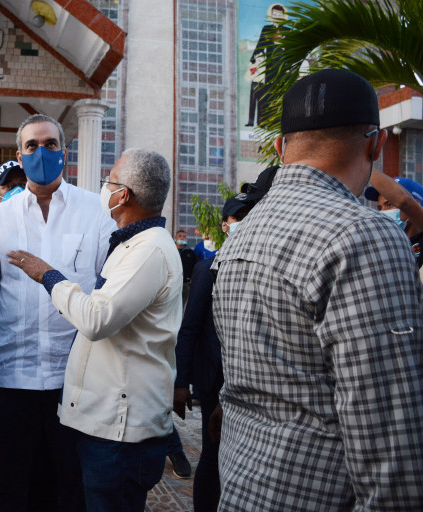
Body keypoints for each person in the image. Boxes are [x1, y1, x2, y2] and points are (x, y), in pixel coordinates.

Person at [212, 69, 423, 510]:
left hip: (242, 484)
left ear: (280, 147)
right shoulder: (364, 235)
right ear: (376, 145)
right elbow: (387, 430)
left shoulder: (243, 233)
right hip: (319, 494)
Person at [7, 148, 182, 510]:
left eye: (109, 181)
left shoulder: (147, 251)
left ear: (123, 195)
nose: (104, 188)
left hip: (121, 431)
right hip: (105, 421)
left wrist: (48, 275)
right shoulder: (133, 243)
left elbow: (96, 320)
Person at [0, 114, 116, 510]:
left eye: (50, 144)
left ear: (64, 151)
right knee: (13, 484)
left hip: (74, 376)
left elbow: (107, 288)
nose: (41, 151)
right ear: (20, 155)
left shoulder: (94, 211)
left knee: (68, 484)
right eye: (32, 145)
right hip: (12, 374)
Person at [173, 191, 266, 512]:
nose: (243, 223)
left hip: (253, 381)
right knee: (213, 456)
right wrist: (181, 382)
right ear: (225, 225)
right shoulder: (209, 268)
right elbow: (190, 328)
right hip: (215, 380)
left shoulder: (265, 266)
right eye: (236, 218)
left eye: (249, 216)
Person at [364, 174, 423, 268]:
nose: (383, 212)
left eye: (389, 205)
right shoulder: (385, 244)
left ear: (415, 205)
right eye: (380, 208)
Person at [174, 228, 197, 307]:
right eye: (180, 236)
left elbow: (195, 267)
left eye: (184, 236)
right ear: (175, 237)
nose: (182, 238)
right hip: (172, 282)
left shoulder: (190, 253)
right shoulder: (171, 251)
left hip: (185, 284)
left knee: (183, 305)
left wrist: (191, 278)